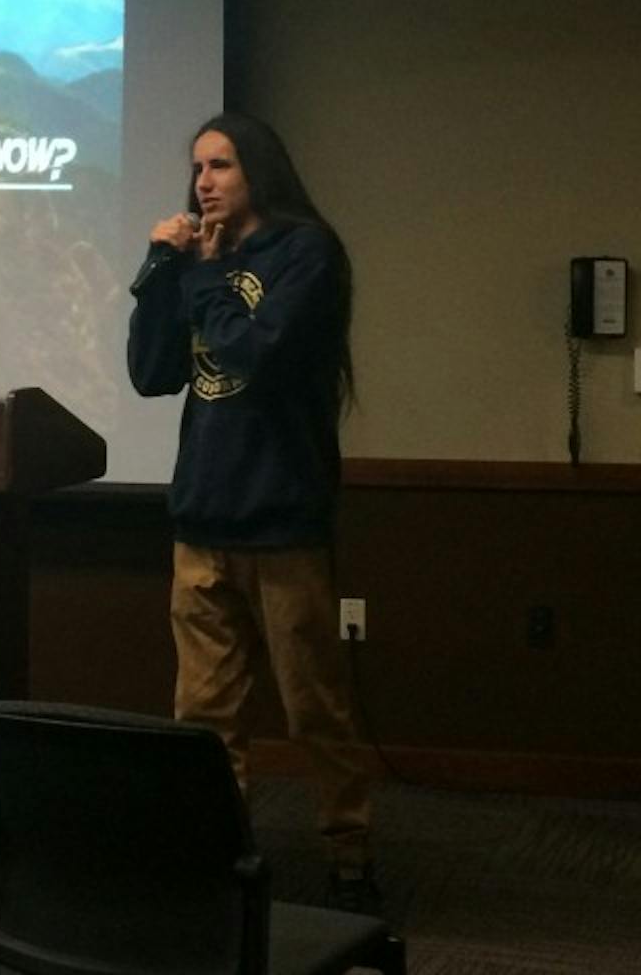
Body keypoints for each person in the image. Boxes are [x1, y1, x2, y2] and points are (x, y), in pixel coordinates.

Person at [126, 111, 380, 913]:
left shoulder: (305, 253)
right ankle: (222, 862)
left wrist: (201, 278)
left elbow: (256, 355)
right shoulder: (201, 261)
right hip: (202, 519)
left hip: (282, 521)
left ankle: (350, 855)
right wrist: (161, 269)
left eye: (222, 165)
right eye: (197, 167)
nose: (204, 182)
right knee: (204, 718)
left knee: (315, 708)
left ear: (258, 172)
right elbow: (150, 373)